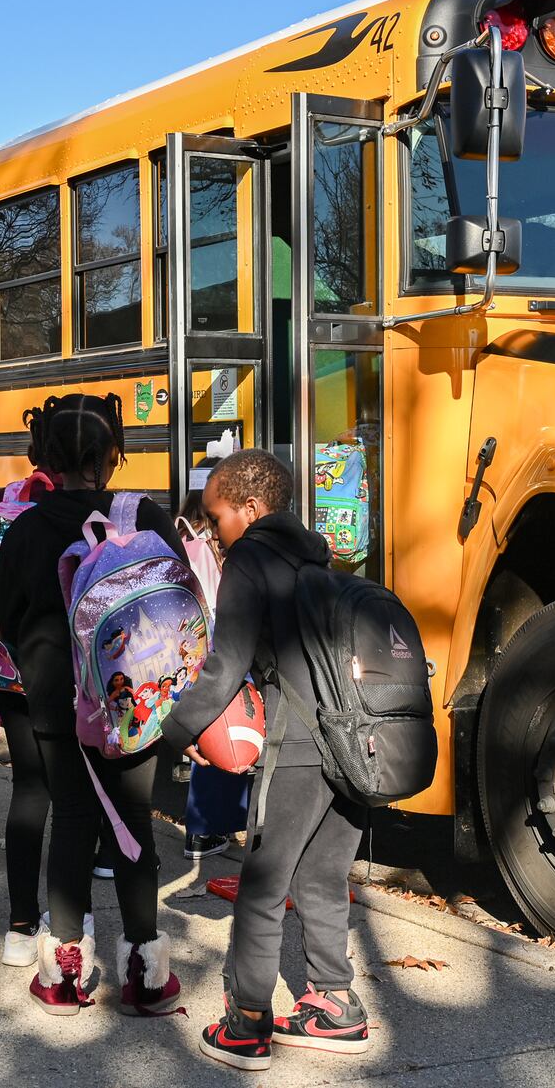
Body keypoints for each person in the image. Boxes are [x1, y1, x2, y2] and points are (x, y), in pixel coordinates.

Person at [162, 449, 371, 1071]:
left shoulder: (252, 558)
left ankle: (246, 1024)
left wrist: (174, 734)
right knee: (325, 879)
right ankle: (336, 1007)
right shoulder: (319, 556)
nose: (214, 533)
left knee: (262, 886)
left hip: (299, 743)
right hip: (350, 740)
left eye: (218, 517)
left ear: (251, 510)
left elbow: (224, 665)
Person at [0, 392, 184, 1016]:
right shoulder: (144, 516)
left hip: (53, 697)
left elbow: (7, 619)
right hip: (135, 699)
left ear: (46, 455)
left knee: (72, 819)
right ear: (113, 455)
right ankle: (147, 975)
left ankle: (64, 974)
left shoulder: (24, 527)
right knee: (133, 827)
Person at [176, 486, 249, 861]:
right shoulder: (211, 554)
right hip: (217, 659)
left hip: (187, 660)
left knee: (207, 740)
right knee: (226, 737)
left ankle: (205, 831)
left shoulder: (176, 549)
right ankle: (206, 831)